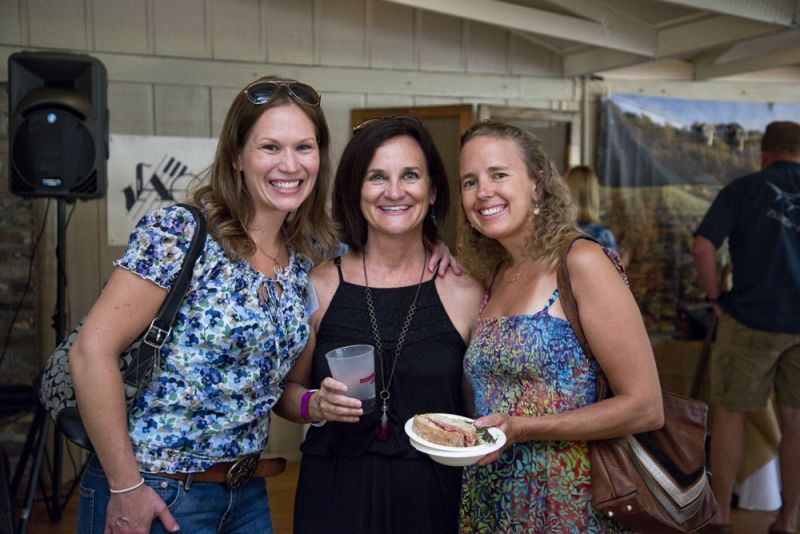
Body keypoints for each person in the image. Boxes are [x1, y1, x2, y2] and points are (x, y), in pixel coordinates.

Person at [68, 75, 338, 534]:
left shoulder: (303, 260)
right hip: (156, 489)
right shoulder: (180, 232)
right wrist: (126, 486)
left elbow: (277, 393)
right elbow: (91, 352)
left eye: (304, 147)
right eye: (269, 147)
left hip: (246, 492)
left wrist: (315, 404)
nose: (289, 164)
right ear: (236, 156)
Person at [273, 116, 484, 534]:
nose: (394, 191)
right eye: (376, 177)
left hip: (435, 500)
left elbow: (480, 412)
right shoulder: (319, 285)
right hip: (335, 497)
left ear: (433, 189)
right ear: (355, 191)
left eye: (410, 175)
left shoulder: (466, 290)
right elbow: (283, 395)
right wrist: (314, 404)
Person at [457, 122, 663, 533]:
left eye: (499, 174)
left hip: (567, 501)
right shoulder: (495, 274)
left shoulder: (581, 262)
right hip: (489, 497)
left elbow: (645, 406)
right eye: (469, 181)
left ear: (538, 183)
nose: (483, 192)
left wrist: (525, 429)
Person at [692, 120, 800, 534]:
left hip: (750, 318)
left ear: (765, 152)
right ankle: (789, 520)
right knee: (796, 421)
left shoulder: (744, 189)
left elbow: (703, 245)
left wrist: (716, 297)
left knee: (731, 414)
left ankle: (720, 516)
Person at [564, 164, 620, 252]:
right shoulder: (602, 235)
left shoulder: (556, 233)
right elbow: (612, 265)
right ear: (594, 195)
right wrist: (623, 261)